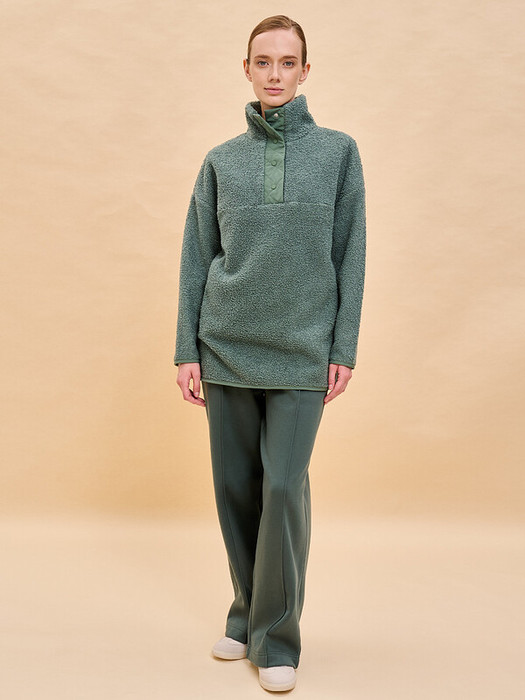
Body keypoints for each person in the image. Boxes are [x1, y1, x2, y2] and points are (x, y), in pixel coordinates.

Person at [174, 14, 366, 693]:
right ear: (247, 69)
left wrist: (343, 345)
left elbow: (351, 253)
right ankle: (246, 612)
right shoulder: (220, 160)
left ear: (305, 71)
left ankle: (276, 638)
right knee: (236, 489)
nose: (275, 74)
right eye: (263, 62)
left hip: (303, 348)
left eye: (288, 62)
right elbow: (197, 256)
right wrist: (186, 348)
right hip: (225, 346)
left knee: (282, 487)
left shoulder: (339, 153)